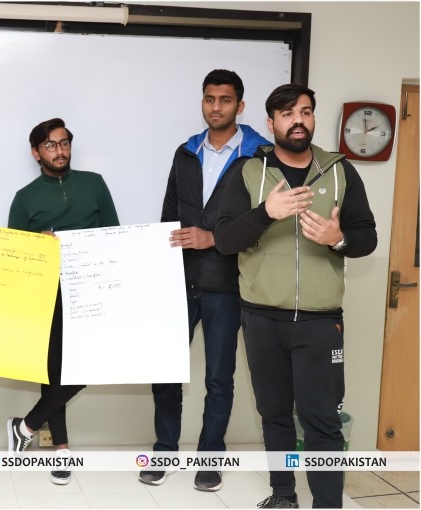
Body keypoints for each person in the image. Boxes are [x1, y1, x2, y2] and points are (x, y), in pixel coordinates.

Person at [214, 84, 377, 508]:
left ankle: (327, 504)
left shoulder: (340, 171)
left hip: (321, 322)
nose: (297, 120)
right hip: (261, 317)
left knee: (322, 420)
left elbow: (368, 237)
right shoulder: (247, 172)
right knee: (274, 413)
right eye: (287, 114)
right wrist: (266, 213)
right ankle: (283, 494)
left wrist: (339, 239)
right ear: (271, 124)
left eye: (305, 112)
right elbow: (225, 239)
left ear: (313, 118)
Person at [140, 70, 271, 492]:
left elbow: (263, 222)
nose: (216, 107)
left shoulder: (260, 156)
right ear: (202, 102)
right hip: (180, 281)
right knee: (164, 371)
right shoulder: (185, 152)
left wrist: (213, 239)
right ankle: (164, 451)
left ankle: (210, 457)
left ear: (240, 106)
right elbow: (168, 214)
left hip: (228, 284)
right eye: (210, 99)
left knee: (219, 376)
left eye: (225, 100)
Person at [6, 117, 119, 485]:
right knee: (54, 371)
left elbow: (115, 235)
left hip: (92, 289)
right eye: (51, 145)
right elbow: (15, 255)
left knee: (87, 367)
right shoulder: (24, 198)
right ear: (36, 152)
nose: (60, 150)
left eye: (64, 142)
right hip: (47, 295)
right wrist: (39, 242)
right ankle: (61, 448)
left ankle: (25, 426)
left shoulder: (94, 184)